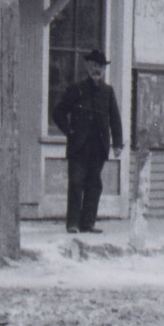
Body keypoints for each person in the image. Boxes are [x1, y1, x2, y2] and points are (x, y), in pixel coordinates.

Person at [52, 48, 123, 234]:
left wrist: (117, 144)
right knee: (76, 183)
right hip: (79, 147)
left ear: (104, 70)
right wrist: (69, 131)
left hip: (99, 147)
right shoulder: (77, 89)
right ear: (87, 67)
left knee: (94, 185)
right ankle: (73, 224)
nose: (97, 70)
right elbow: (58, 112)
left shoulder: (108, 92)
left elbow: (115, 119)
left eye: (100, 67)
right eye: (93, 66)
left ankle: (88, 223)